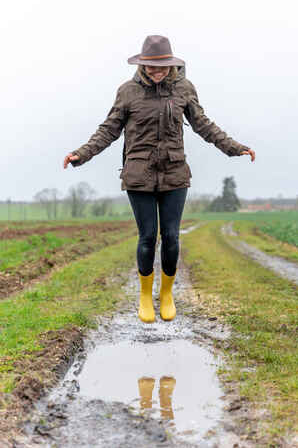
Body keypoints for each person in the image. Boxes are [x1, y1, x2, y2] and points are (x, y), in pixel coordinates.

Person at [64, 35, 255, 324]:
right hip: (138, 174)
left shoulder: (184, 89)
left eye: (162, 68)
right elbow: (108, 130)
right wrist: (81, 154)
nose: (157, 73)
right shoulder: (127, 92)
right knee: (147, 236)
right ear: (142, 65)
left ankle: (166, 294)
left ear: (171, 65)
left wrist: (234, 147)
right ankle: (144, 295)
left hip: (175, 173)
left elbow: (204, 125)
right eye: (151, 68)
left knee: (172, 237)